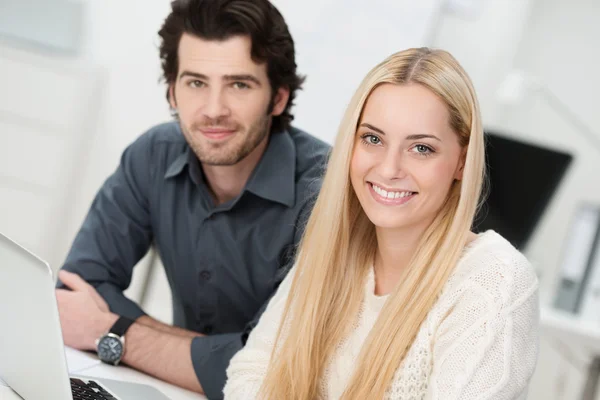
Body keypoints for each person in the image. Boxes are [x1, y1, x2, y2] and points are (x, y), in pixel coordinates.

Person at [223, 47, 540, 399]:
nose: (389, 169)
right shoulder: (333, 249)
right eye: (372, 139)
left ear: (461, 162)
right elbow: (251, 372)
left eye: (421, 148)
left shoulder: (494, 280)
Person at [55, 0, 329, 398]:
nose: (214, 110)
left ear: (278, 98)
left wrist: (111, 331)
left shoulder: (326, 196)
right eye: (196, 82)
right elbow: (76, 294)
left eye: (239, 84)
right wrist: (191, 354)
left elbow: (272, 372)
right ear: (172, 92)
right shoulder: (153, 155)